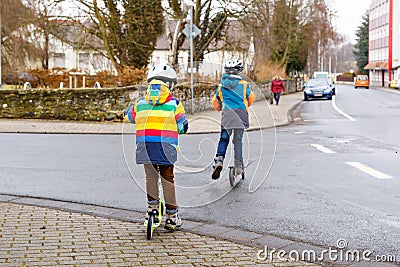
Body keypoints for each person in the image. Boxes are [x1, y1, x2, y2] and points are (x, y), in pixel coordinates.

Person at [123, 65, 188, 231]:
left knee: (151, 178)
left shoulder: (140, 103)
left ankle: (152, 210)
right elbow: (182, 127)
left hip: (145, 146)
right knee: (168, 179)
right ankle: (172, 217)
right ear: (170, 85)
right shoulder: (174, 104)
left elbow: (128, 117)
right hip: (166, 147)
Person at [211, 58, 255, 180]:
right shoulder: (245, 85)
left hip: (227, 115)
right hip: (241, 115)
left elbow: (215, 102)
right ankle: (238, 166)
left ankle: (219, 159)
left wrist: (221, 107)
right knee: (237, 141)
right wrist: (244, 105)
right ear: (240, 71)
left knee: (224, 139)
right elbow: (251, 99)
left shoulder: (221, 86)